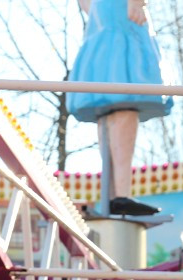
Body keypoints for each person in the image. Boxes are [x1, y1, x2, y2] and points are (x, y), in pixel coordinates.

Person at [68, 0, 173, 216]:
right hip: (122, 13)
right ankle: (120, 195)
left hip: (103, 15)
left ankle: (113, 194)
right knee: (125, 96)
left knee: (110, 105)